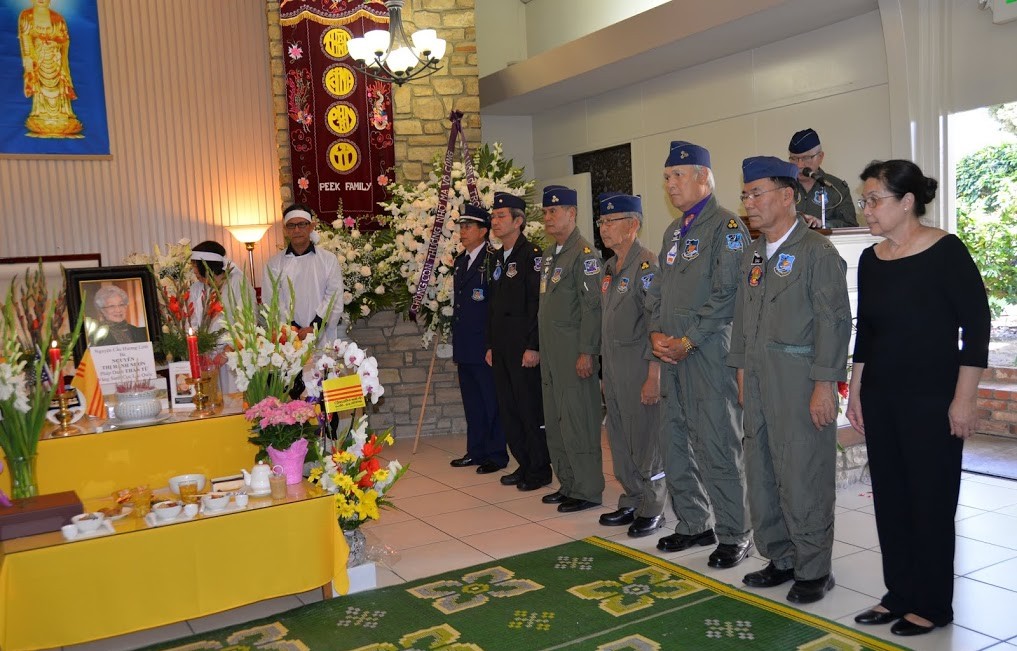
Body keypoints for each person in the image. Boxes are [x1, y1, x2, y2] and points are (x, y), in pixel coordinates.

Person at [846, 160, 990, 636]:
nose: (866, 209)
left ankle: (932, 604)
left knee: (930, 500)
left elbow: (977, 329)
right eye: (864, 200)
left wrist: (964, 398)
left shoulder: (946, 251)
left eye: (874, 200)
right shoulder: (871, 259)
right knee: (891, 499)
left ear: (907, 202)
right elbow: (867, 332)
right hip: (882, 395)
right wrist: (856, 389)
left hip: (933, 398)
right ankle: (900, 594)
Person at [728, 156, 851, 604]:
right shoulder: (754, 253)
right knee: (761, 471)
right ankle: (780, 557)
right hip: (758, 380)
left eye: (756, 193)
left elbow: (835, 323)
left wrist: (825, 385)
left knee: (804, 474)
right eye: (745, 194)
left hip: (800, 381)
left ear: (786, 196)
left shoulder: (817, 252)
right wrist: (742, 372)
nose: (748, 202)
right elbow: (742, 320)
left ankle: (814, 568)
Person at [646, 141, 753, 570]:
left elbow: (729, 295)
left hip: (708, 354)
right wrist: (656, 332)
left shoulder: (727, 227)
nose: (670, 184)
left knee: (717, 443)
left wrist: (688, 341)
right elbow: (658, 290)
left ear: (703, 177)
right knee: (674, 441)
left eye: (678, 175)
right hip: (672, 355)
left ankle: (735, 532)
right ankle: (693, 522)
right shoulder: (674, 232)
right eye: (666, 177)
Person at [596, 192, 666, 538]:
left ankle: (653, 506)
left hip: (639, 368)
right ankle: (632, 497)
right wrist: (604, 373)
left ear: (633, 225)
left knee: (645, 439)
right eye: (601, 221)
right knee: (620, 437)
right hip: (614, 368)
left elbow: (657, 323)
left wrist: (654, 375)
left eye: (611, 221)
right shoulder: (609, 268)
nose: (603, 228)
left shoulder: (647, 266)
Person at [537, 184, 604, 513]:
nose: (548, 218)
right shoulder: (550, 254)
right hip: (552, 354)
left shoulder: (584, 254)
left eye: (554, 211)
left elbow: (592, 308)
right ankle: (568, 483)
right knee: (556, 421)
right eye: (545, 212)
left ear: (572, 213)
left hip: (574, 353)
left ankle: (587, 489)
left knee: (579, 422)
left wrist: (587, 351)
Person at [485, 192, 551, 491]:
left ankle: (539, 469)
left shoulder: (532, 255)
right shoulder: (497, 257)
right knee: (509, 410)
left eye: (501, 216)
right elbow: (493, 306)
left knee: (529, 410)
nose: (495, 221)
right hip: (502, 347)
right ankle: (523, 463)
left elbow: (538, 304)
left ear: (518, 221)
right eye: (493, 216)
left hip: (523, 348)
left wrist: (534, 345)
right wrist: (490, 345)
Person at [449, 203, 509, 474]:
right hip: (465, 344)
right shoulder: (461, 261)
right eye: (461, 227)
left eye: (468, 227)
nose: (462, 231)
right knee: (472, 402)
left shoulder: (493, 259)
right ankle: (476, 451)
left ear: (484, 231)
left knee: (490, 401)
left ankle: (496, 455)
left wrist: (492, 344)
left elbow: (496, 306)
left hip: (484, 345)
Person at [262, 203, 345, 343]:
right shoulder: (274, 264)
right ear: (285, 230)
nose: (296, 230)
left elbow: (334, 296)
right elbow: (272, 300)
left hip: (321, 334)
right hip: (289, 338)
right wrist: (292, 329)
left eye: (301, 224)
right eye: (291, 225)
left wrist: (315, 327)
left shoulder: (328, 259)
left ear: (311, 226)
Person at [18, 0, 83, 137]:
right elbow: (25, 38)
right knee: (39, 88)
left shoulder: (58, 19)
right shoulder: (27, 16)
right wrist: (29, 58)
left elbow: (65, 41)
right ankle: (40, 114)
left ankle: (62, 114)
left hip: (56, 60)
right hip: (38, 61)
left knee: (60, 88)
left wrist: (57, 48)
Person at [788, 128, 858, 229]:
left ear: (820, 157)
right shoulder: (783, 186)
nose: (799, 165)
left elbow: (850, 225)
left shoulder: (837, 188)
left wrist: (823, 224)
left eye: (806, 158)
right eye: (794, 159)